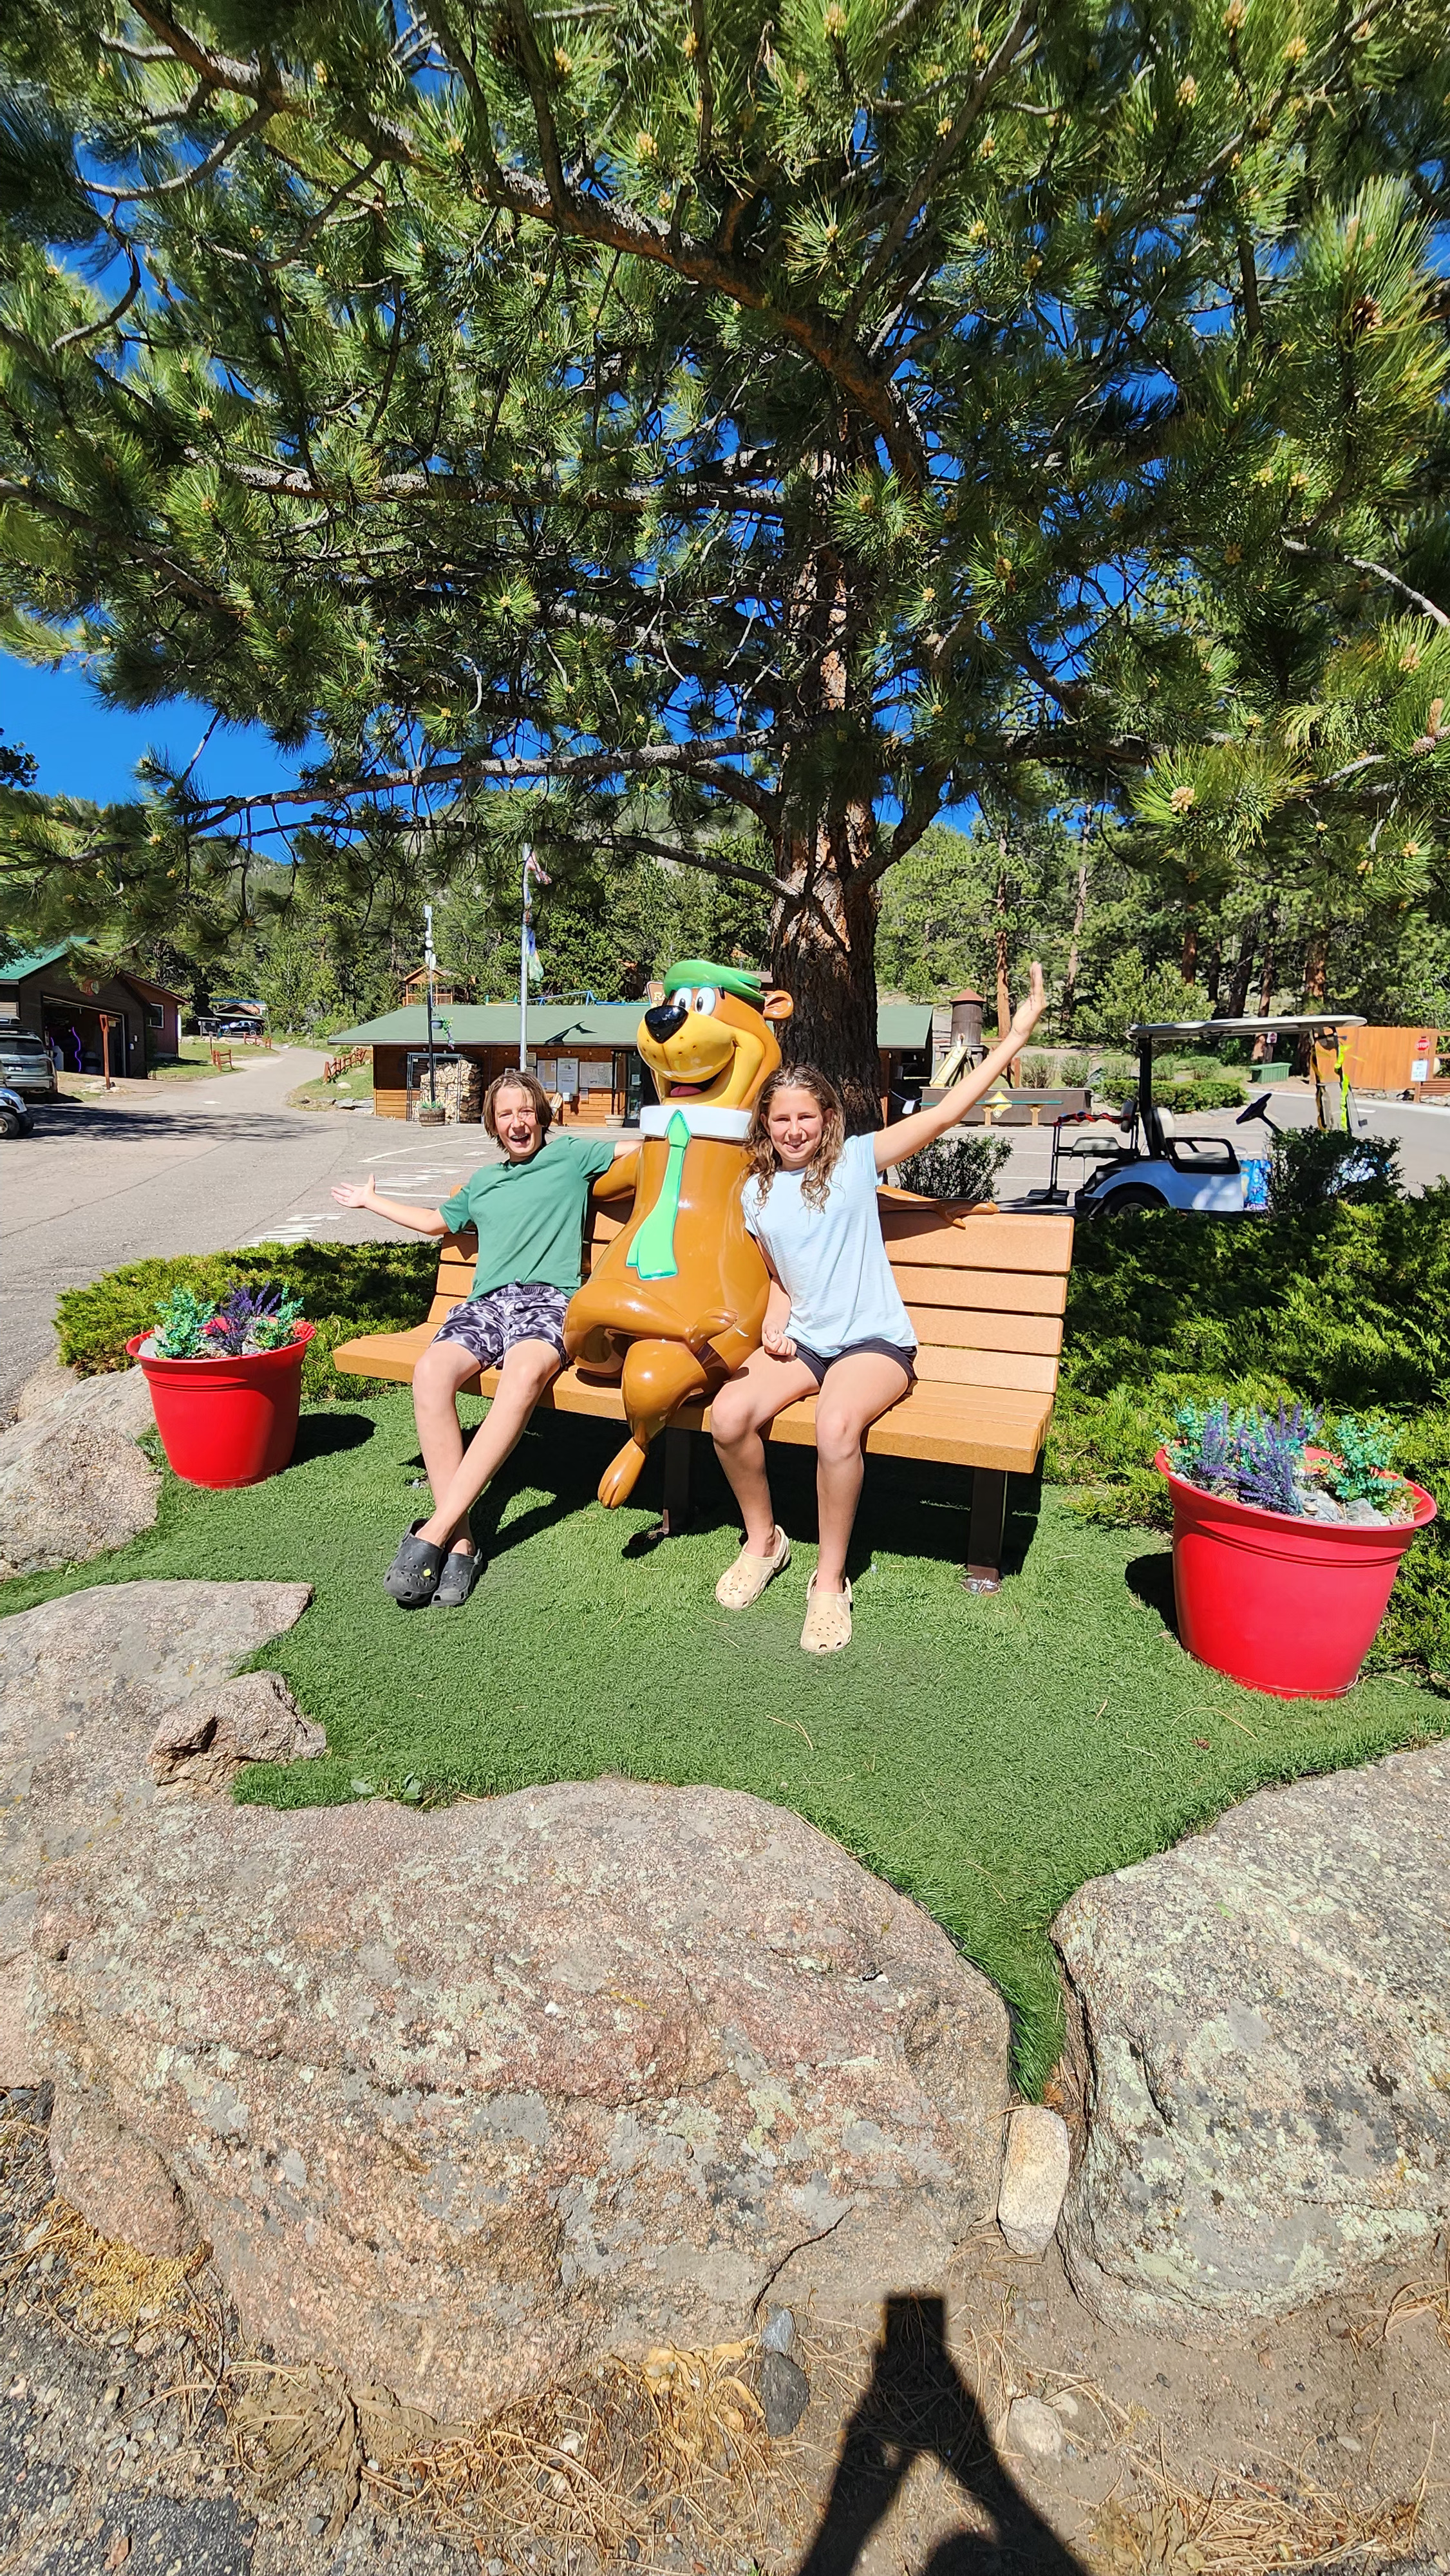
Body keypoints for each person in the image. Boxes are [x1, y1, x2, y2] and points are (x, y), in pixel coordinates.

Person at [709, 963, 1047, 1653]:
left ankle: (828, 1581)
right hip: (804, 1342)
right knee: (727, 1415)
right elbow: (778, 1270)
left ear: (827, 1119)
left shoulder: (857, 1162)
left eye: (807, 1115)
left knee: (835, 1426)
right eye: (781, 1118)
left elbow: (945, 1112)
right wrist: (775, 1311)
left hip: (873, 1345)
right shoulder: (754, 1191)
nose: (794, 1128)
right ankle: (763, 1541)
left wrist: (1011, 1039)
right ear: (765, 1124)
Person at [330, 1070, 632, 1607]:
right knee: (431, 1372)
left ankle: (432, 1533)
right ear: (493, 1125)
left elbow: (644, 1150)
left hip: (550, 1301)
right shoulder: (483, 1182)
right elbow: (432, 1223)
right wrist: (371, 1201)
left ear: (543, 1114)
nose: (518, 1122)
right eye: (505, 1114)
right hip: (486, 1305)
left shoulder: (573, 1159)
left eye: (526, 1111)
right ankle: (464, 1540)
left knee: (521, 1376)